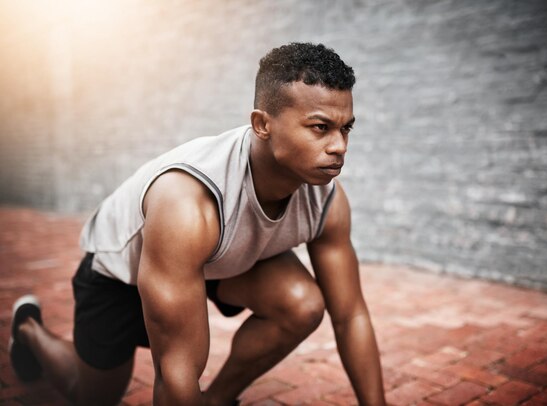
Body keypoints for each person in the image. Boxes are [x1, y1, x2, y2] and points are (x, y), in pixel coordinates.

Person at [9, 42, 386, 405]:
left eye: (346, 128)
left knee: (302, 304)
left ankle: (218, 399)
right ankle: (29, 330)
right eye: (320, 127)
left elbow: (350, 315)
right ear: (262, 125)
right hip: (120, 274)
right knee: (90, 395)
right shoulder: (188, 202)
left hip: (214, 258)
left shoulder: (327, 199)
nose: (339, 146)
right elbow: (177, 374)